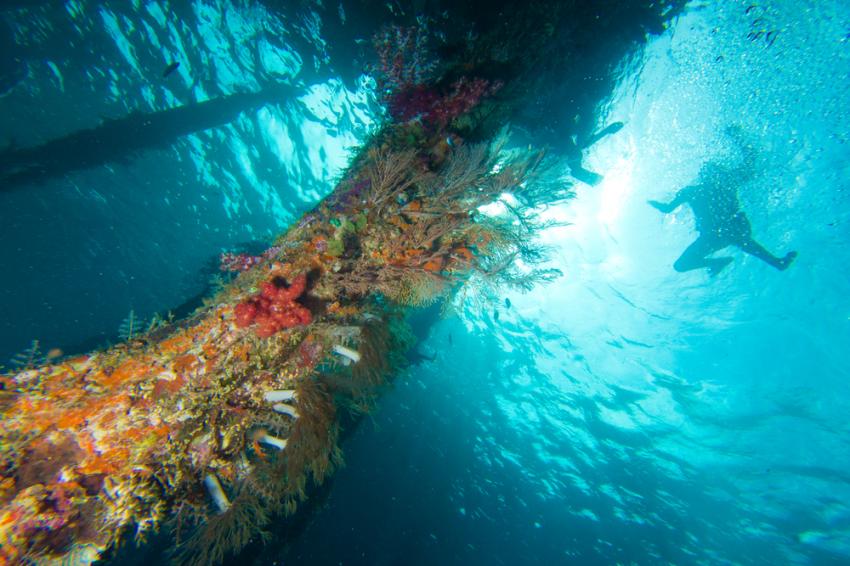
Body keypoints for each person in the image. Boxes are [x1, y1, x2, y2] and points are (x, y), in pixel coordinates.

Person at [648, 149, 797, 276]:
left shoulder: (722, 183)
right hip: (713, 234)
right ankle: (722, 262)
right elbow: (668, 208)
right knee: (680, 265)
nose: (710, 173)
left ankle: (776, 262)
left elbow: (751, 159)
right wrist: (660, 206)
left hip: (729, 228)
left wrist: (739, 138)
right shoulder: (697, 189)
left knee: (735, 237)